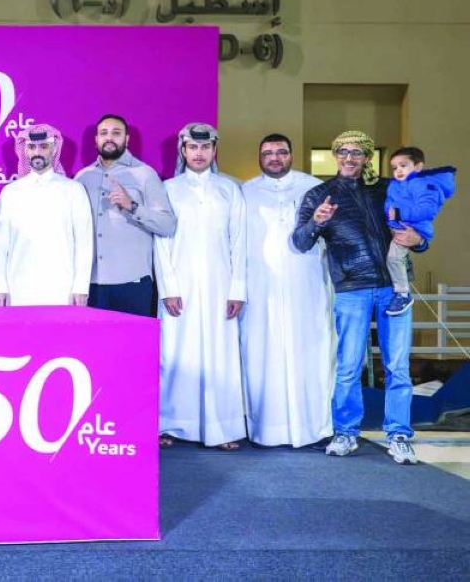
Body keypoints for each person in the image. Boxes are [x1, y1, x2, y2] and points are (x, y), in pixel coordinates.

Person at [293, 130, 427, 464]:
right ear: (336, 155)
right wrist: (315, 221)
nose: (349, 158)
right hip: (351, 290)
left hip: (394, 290)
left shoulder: (388, 189)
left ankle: (398, 435)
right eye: (343, 152)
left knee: (398, 367)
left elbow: (418, 229)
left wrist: (419, 240)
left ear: (367, 156)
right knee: (349, 366)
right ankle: (346, 433)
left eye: (357, 152)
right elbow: (299, 242)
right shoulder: (320, 195)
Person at [154, 123, 247, 450]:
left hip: (221, 288)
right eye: (192, 147)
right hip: (179, 288)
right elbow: (160, 242)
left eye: (205, 148)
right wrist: (168, 287)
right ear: (183, 150)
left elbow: (239, 242)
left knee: (220, 356)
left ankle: (221, 429)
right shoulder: (168, 188)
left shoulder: (229, 190)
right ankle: (171, 424)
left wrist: (237, 289)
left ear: (214, 151)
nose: (198, 153)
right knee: (177, 354)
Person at [240, 134, 334, 448]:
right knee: (261, 352)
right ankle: (266, 428)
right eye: (268, 153)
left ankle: (311, 426)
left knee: (307, 348)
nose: (275, 158)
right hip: (259, 286)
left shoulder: (315, 188)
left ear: (292, 155)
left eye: (281, 152)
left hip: (305, 284)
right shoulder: (245, 191)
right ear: (259, 157)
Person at [75, 114, 176, 316]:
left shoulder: (145, 174)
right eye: (104, 133)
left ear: (127, 139)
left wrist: (132, 206)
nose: (109, 138)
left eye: (116, 133)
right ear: (96, 140)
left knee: (133, 347)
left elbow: (167, 225)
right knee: (94, 347)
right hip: (92, 285)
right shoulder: (82, 178)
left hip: (133, 283)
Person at [0, 124, 93, 307]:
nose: (37, 152)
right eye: (31, 147)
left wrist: (81, 287)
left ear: (54, 150)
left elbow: (84, 244)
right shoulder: (10, 193)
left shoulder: (73, 190)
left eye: (44, 147)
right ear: (25, 151)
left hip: (62, 289)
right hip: (19, 289)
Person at [383, 146, 456, 316]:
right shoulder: (397, 185)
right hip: (396, 224)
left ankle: (402, 294)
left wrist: (400, 214)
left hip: (411, 227)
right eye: (394, 168)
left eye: (403, 165)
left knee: (394, 258)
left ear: (417, 167)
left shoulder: (424, 184)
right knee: (393, 257)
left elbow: (427, 209)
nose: (398, 171)